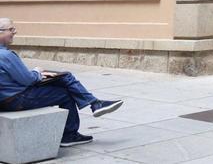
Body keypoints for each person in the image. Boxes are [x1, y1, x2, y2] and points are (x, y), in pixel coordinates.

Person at [0, 17, 123, 147]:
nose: (15, 32)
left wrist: (37, 74)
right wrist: (37, 72)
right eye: (11, 29)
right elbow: (28, 80)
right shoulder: (6, 55)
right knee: (66, 92)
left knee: (63, 78)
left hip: (5, 99)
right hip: (15, 100)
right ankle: (70, 133)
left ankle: (95, 104)